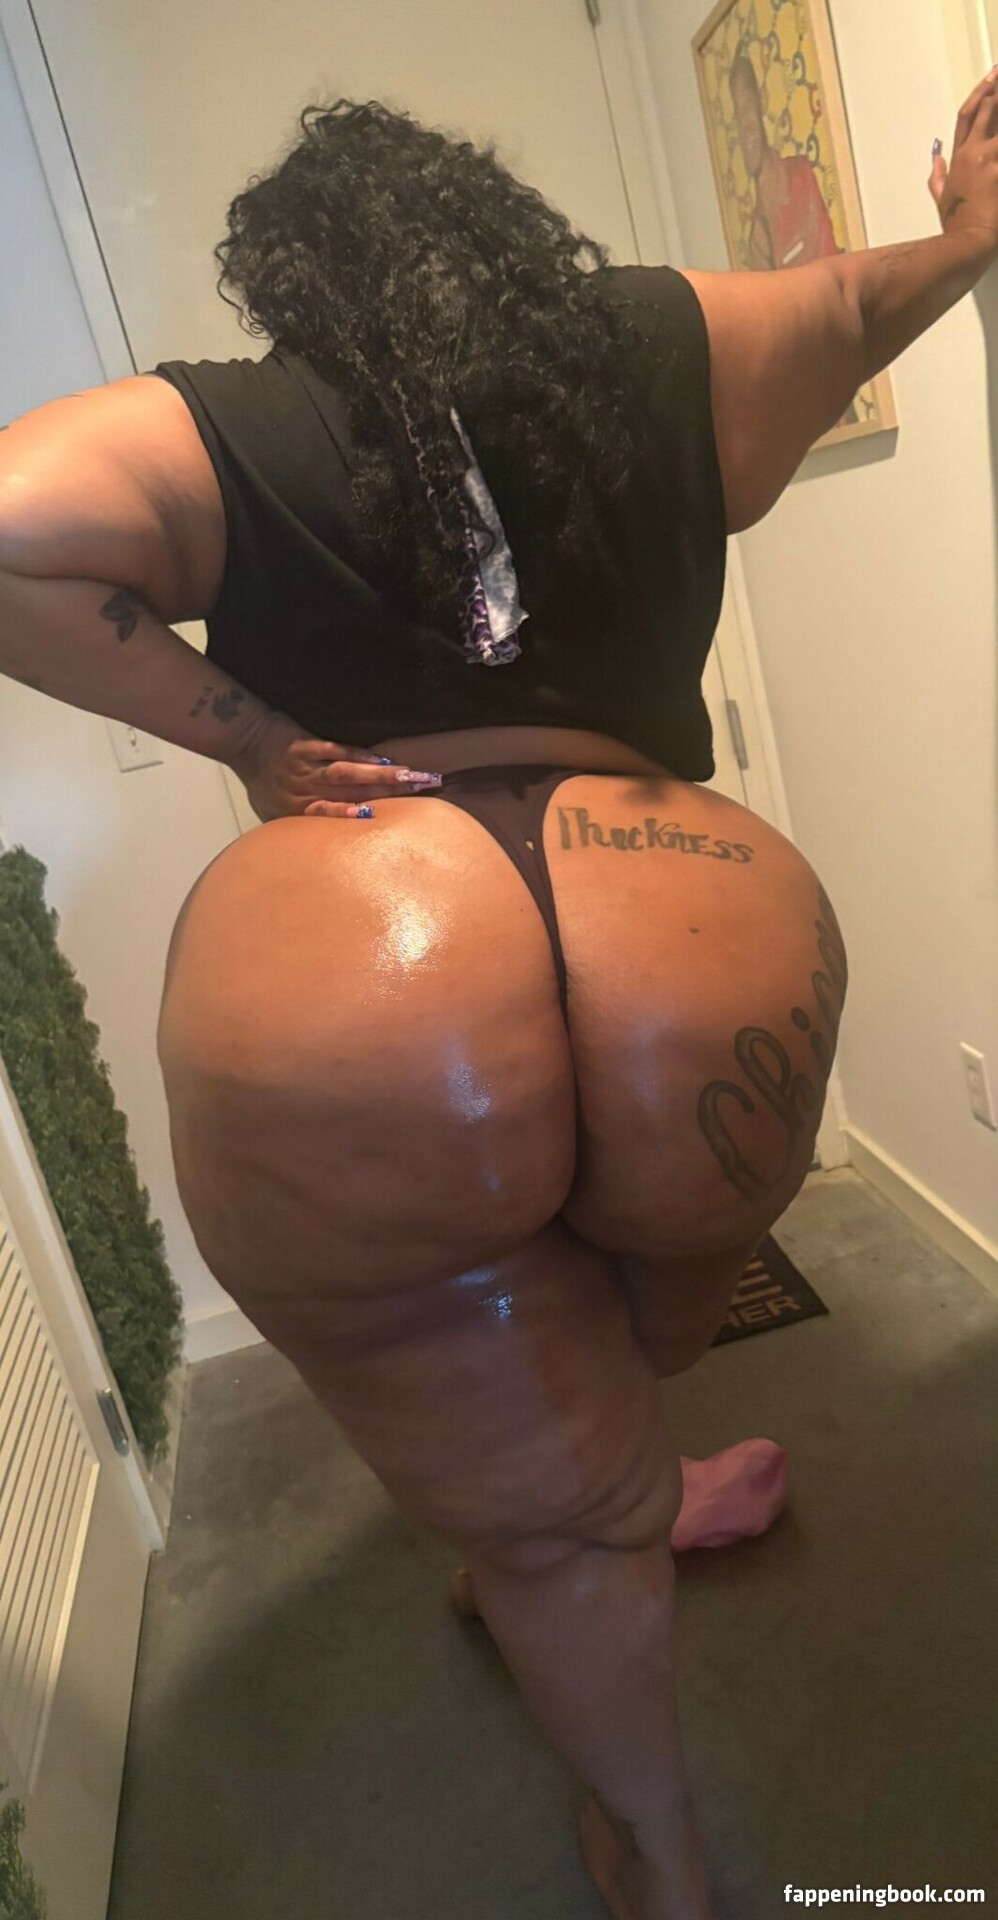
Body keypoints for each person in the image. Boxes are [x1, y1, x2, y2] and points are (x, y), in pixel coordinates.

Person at [2, 71, 996, 1920]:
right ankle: (613, 1488)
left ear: (295, 282)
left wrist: (255, 738)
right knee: (628, 1306)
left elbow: (5, 525)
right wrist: (965, 232)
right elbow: (864, 300)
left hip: (362, 970)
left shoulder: (236, 421)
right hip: (695, 934)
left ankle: (642, 1794)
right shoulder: (664, 342)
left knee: (539, 1494)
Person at [729, 50, 839, 272]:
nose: (746, 126)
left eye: (748, 107)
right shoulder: (756, 239)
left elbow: (833, 270)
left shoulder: (800, 178)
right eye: (738, 115)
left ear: (761, 104)